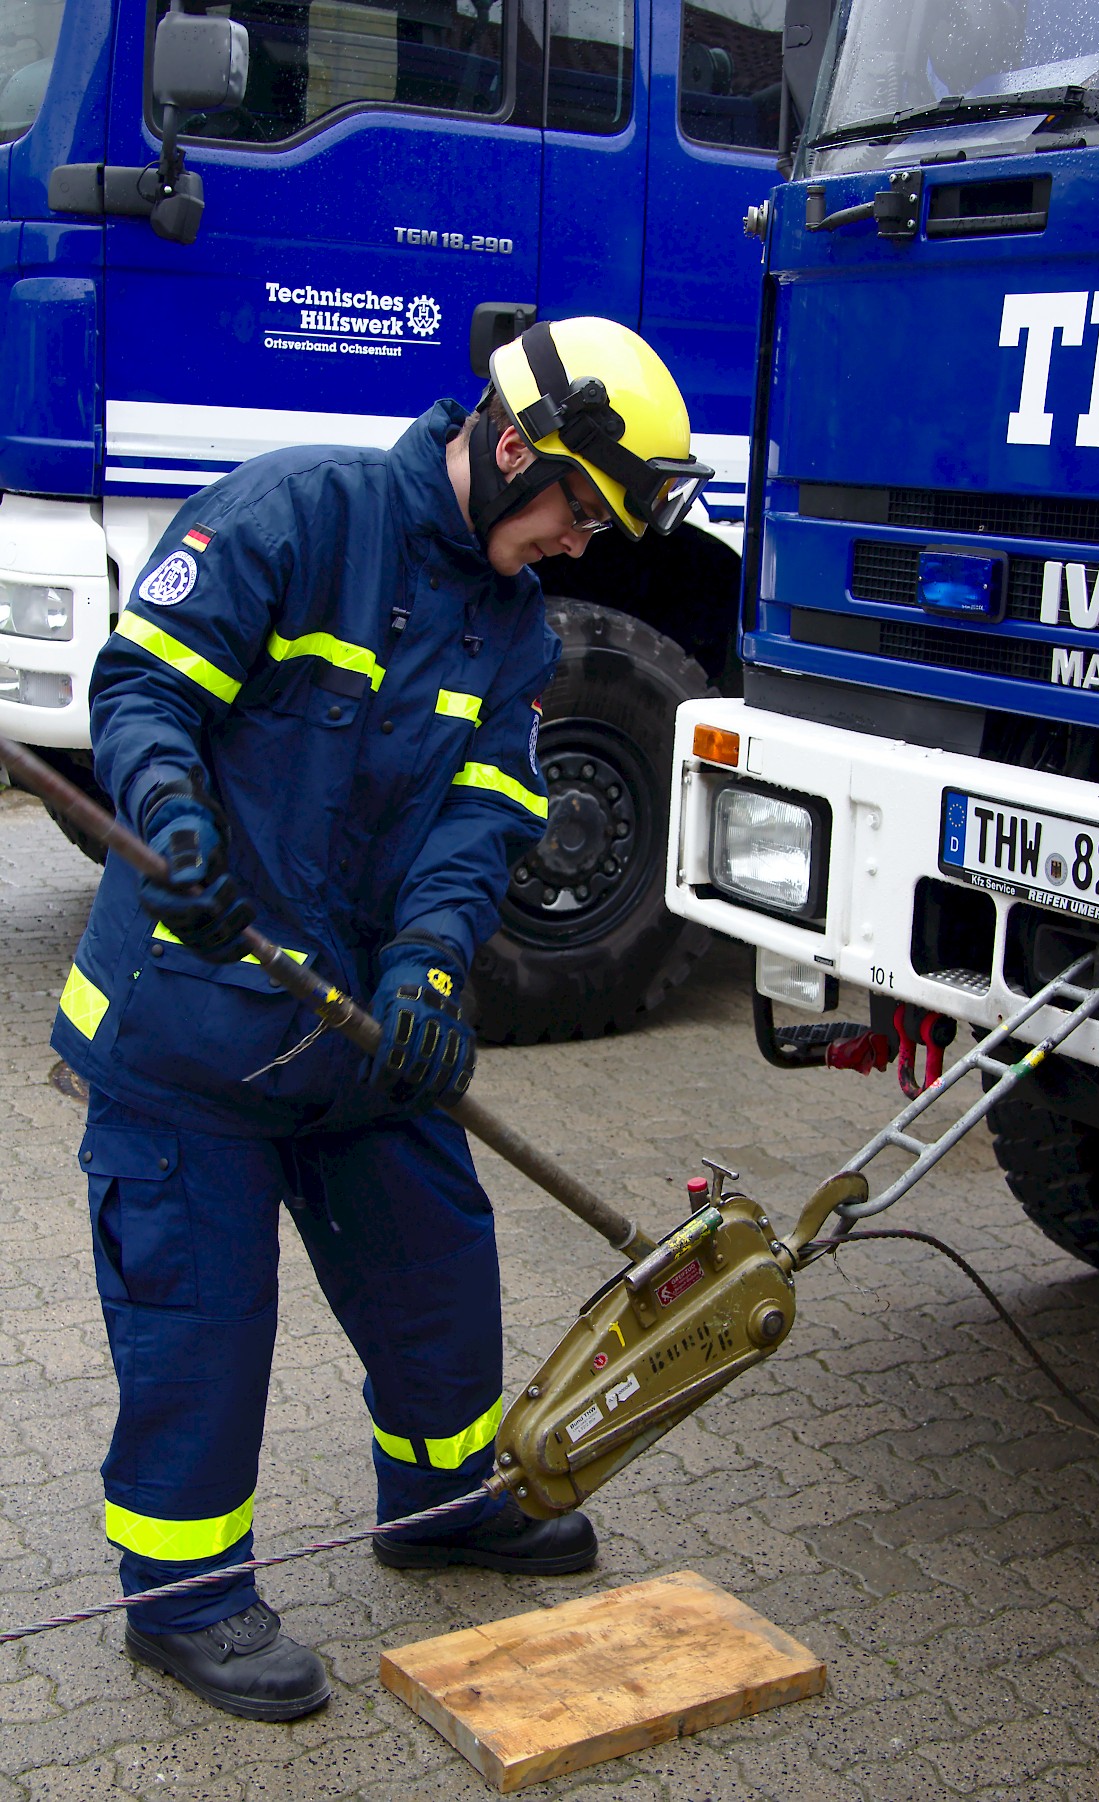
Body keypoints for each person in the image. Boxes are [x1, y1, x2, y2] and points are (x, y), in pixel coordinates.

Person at [50, 317, 712, 1723]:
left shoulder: (515, 624)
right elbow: (144, 689)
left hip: (353, 1027)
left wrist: (427, 971)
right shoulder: (296, 515)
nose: (579, 547)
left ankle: (441, 1501)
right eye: (576, 512)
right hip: (192, 1020)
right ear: (517, 446)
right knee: (201, 1320)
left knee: (436, 1272)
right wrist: (174, 825)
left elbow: (480, 823)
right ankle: (184, 1599)